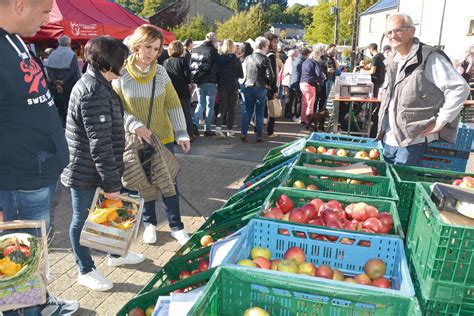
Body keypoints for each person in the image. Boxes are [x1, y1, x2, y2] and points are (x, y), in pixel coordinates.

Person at [0, 0, 79, 314]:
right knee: (20, 274)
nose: (51, 18)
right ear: (20, 5)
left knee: (34, 259)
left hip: (37, 174)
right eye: (46, 10)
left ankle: (41, 303)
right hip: (17, 182)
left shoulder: (16, 39)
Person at [61, 36, 140, 291]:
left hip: (99, 166)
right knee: (82, 219)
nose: (126, 65)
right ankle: (85, 269)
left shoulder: (101, 83)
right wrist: (112, 182)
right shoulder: (93, 91)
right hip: (85, 169)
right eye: (122, 61)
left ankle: (116, 254)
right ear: (108, 63)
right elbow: (100, 143)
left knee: (112, 211)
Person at [113, 25, 191, 245]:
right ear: (136, 45)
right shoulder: (121, 73)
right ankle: (149, 224)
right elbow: (117, 108)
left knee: (169, 184)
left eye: (156, 49)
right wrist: (134, 124)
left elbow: (173, 103)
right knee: (144, 183)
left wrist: (182, 133)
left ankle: (176, 226)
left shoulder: (161, 72)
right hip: (137, 140)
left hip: (163, 138)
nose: (151, 53)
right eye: (147, 46)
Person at [376, 13, 470, 166]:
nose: (392, 36)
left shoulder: (428, 57)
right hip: (389, 138)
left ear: (411, 31)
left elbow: (459, 88)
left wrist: (442, 120)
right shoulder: (393, 59)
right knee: (388, 184)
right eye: (389, 33)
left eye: (397, 30)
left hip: (413, 140)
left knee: (402, 186)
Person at [241, 37, 274, 143]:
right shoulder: (265, 58)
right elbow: (271, 75)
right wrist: (268, 84)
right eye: (267, 46)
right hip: (261, 87)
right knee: (259, 112)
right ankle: (259, 135)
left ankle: (243, 133)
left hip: (248, 86)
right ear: (263, 46)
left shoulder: (248, 58)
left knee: (248, 111)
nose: (267, 48)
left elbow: (244, 73)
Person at [46, 35, 81, 127]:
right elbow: (73, 71)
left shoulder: (52, 54)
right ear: (69, 44)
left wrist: (56, 83)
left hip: (56, 87)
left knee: (61, 108)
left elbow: (49, 70)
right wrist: (63, 81)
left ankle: (64, 125)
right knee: (72, 107)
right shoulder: (72, 54)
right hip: (70, 85)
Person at [190, 32, 220, 137]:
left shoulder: (194, 50)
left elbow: (191, 66)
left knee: (200, 104)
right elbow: (216, 67)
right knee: (209, 106)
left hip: (199, 81)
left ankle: (194, 123)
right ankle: (207, 129)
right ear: (213, 41)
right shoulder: (213, 51)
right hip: (210, 81)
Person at [164, 40, 194, 141]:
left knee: (172, 114)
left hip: (171, 90)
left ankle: (174, 134)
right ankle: (190, 134)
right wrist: (189, 82)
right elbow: (187, 74)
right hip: (183, 90)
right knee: (186, 113)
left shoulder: (166, 62)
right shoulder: (183, 60)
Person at [216, 39, 243, 138]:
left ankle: (218, 127)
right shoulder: (236, 60)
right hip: (233, 85)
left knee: (222, 108)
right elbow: (241, 74)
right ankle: (229, 129)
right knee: (231, 109)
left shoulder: (220, 59)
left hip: (222, 85)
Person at [300, 45, 325, 131]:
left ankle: (303, 119)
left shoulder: (305, 61)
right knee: (310, 104)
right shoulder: (315, 63)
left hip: (302, 83)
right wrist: (322, 79)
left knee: (304, 103)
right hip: (310, 84)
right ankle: (308, 121)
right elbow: (318, 74)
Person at [290, 47, 311, 122]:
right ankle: (297, 115)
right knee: (299, 100)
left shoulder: (298, 59)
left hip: (295, 81)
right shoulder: (301, 61)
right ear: (307, 54)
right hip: (298, 82)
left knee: (297, 100)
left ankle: (297, 114)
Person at [264, 32, 279, 137]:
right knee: (271, 109)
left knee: (262, 109)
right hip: (270, 86)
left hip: (262, 85)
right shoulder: (271, 56)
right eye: (274, 42)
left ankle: (258, 129)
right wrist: (274, 89)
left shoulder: (263, 54)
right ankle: (270, 130)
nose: (276, 44)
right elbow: (272, 73)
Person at [281, 49, 299, 118]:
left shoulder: (291, 60)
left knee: (291, 97)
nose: (297, 55)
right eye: (296, 53)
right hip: (288, 81)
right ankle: (287, 112)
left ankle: (289, 111)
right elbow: (291, 70)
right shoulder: (289, 61)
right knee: (289, 98)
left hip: (289, 81)